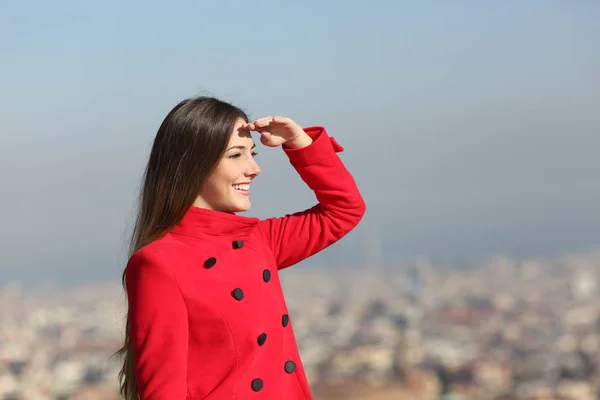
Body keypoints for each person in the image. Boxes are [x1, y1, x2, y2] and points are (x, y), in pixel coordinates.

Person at [114, 96, 366, 399]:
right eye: (236, 155)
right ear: (193, 166)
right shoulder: (158, 264)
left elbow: (344, 209)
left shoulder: (260, 240)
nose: (255, 169)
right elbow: (164, 392)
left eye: (253, 153)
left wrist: (300, 143)